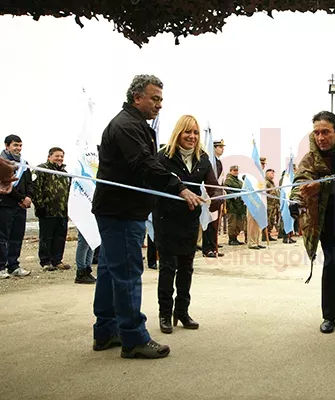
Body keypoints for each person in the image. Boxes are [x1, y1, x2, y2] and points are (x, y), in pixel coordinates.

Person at [91, 74, 203, 359]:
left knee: (109, 270)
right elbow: (144, 164)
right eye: (154, 99)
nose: (159, 105)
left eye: (161, 99)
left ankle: (106, 331)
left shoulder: (134, 124)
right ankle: (134, 337)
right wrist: (178, 187)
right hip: (122, 212)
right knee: (127, 272)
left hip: (117, 210)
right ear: (136, 97)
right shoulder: (128, 126)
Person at [291, 111, 335, 334]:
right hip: (327, 215)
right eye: (317, 133)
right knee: (331, 263)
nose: (321, 137)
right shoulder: (310, 156)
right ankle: (329, 316)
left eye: (326, 132)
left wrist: (323, 185)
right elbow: (301, 179)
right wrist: (296, 200)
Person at [154, 114, 221, 334]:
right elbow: (157, 181)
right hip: (166, 219)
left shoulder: (202, 158)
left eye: (195, 133)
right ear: (178, 133)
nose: (192, 137)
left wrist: (217, 199)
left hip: (190, 220)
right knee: (168, 267)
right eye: (187, 132)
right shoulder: (163, 156)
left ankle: (182, 311)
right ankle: (165, 313)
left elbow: (212, 185)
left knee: (186, 268)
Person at [32, 147, 72, 272]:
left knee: (60, 236)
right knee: (46, 237)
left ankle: (57, 260)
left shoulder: (65, 173)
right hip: (47, 210)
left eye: (61, 156)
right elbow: (36, 188)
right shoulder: (41, 170)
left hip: (62, 211)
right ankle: (46, 261)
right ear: (49, 156)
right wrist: (39, 206)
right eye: (57, 156)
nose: (59, 158)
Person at [0, 135, 33, 279]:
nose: (18, 148)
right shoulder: (2, 163)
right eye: (15, 145)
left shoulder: (24, 164)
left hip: (21, 206)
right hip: (5, 204)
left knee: (17, 236)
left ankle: (13, 265)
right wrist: (22, 198)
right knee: (2, 237)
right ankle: (1, 267)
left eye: (20, 145)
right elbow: (6, 186)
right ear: (7, 146)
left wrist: (29, 197)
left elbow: (30, 183)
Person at [202, 139, 225, 257]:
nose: (222, 149)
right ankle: (207, 249)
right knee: (209, 222)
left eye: (222, 147)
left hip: (217, 195)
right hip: (209, 195)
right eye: (220, 147)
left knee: (215, 223)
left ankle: (214, 247)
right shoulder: (210, 161)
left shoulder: (219, 162)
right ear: (214, 148)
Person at [224, 165, 246, 245]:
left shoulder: (239, 181)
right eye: (234, 170)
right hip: (232, 205)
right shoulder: (228, 180)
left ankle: (235, 237)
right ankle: (231, 239)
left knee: (239, 223)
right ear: (231, 171)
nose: (236, 172)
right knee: (232, 223)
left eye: (237, 170)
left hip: (240, 205)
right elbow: (226, 189)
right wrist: (234, 196)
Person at [264, 168, 280, 241]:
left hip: (273, 205)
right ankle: (265, 236)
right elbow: (264, 194)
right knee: (267, 221)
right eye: (271, 173)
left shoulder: (272, 183)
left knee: (271, 221)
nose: (273, 174)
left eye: (273, 173)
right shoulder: (266, 182)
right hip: (268, 205)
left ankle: (268, 234)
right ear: (267, 174)